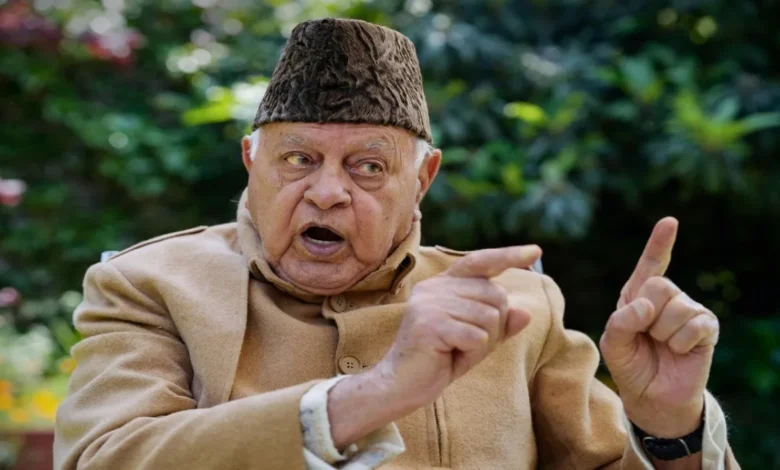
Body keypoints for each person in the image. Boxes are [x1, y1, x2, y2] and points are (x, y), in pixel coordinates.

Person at [53, 18, 739, 469]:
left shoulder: (515, 307)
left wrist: (670, 426)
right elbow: (103, 457)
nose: (327, 192)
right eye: (298, 159)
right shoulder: (150, 284)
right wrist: (371, 394)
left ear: (423, 179)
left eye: (368, 166)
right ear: (250, 162)